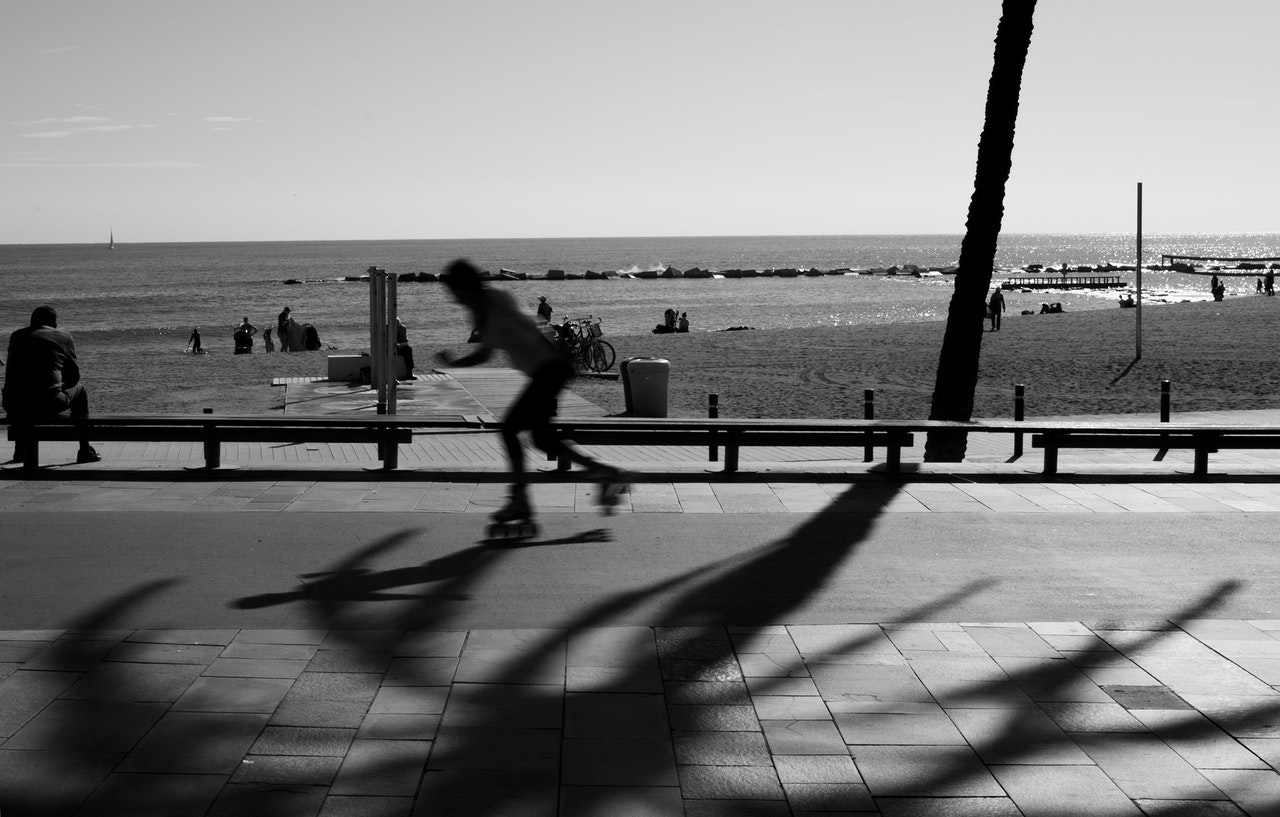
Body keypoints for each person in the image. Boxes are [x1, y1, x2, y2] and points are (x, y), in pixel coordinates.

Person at [435, 259, 623, 524]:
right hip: (548, 370)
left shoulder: (491, 303)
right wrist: (455, 362)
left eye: (453, 291)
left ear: (464, 288)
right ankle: (604, 472)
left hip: (550, 368)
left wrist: (455, 362)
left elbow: (516, 332)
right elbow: (487, 352)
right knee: (540, 439)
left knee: (510, 429)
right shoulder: (483, 307)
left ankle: (520, 500)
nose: (452, 298)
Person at [2, 306, 100, 463]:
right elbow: (74, 377)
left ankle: (19, 451)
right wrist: (57, 384)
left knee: (20, 388)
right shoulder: (63, 337)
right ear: (54, 323)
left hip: (13, 405)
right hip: (47, 403)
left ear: (31, 322)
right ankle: (85, 449)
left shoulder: (16, 336)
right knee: (80, 390)